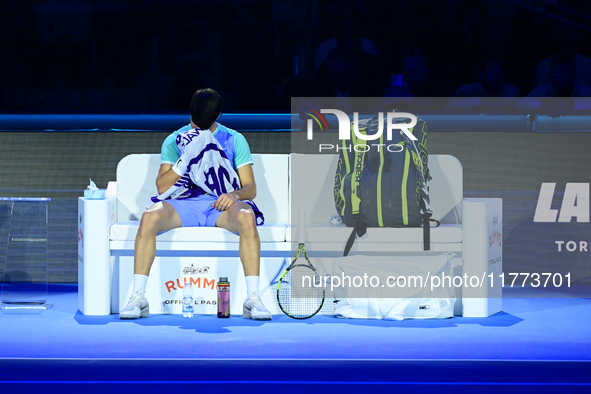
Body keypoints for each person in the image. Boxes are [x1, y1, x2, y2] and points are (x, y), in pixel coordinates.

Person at [120, 88, 272, 321]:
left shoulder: (234, 139)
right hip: (184, 204)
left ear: (218, 116)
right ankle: (138, 297)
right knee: (149, 217)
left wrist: (234, 195)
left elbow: (251, 188)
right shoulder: (175, 139)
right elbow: (162, 187)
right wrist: (184, 161)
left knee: (247, 216)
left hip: (220, 205)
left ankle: (253, 299)